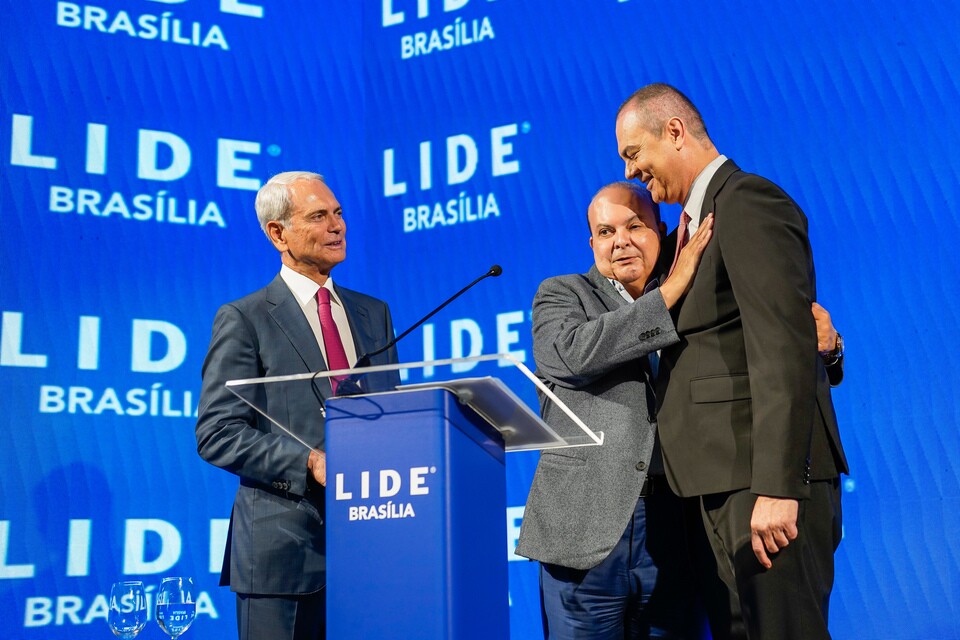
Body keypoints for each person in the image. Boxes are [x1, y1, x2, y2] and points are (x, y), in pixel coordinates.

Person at [615, 83, 847, 639]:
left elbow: (781, 347)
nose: (632, 171)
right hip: (717, 487)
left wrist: (778, 485)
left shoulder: (746, 202)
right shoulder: (684, 239)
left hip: (761, 487)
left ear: (674, 131)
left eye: (633, 153)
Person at [195, 171, 401, 640]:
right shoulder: (245, 318)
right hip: (281, 551)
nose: (337, 226)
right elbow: (217, 432)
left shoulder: (374, 313)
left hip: (373, 550)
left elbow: (392, 416)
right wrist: (308, 461)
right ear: (278, 233)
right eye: (319, 216)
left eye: (339, 213)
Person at [516, 181, 714, 639]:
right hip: (584, 528)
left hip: (675, 525)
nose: (620, 240)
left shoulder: (694, 297)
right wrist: (669, 293)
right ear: (592, 244)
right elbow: (573, 354)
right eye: (606, 232)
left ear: (661, 232)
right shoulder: (563, 294)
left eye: (634, 226)